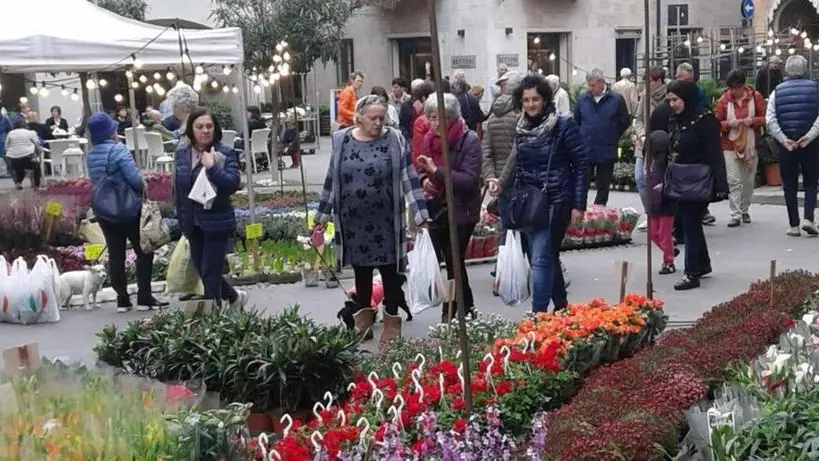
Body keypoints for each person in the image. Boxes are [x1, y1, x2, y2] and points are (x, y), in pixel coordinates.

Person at [313, 95, 430, 348]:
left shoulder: (395, 139)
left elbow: (408, 178)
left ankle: (391, 325)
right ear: (359, 118)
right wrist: (320, 217)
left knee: (390, 273)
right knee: (362, 274)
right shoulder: (341, 140)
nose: (378, 123)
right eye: (372, 118)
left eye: (382, 118)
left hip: (386, 220)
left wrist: (421, 215)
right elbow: (332, 180)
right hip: (353, 222)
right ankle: (363, 323)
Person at [487, 75, 588, 313]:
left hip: (557, 199)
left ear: (545, 100)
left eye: (535, 99)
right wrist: (501, 184)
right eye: (526, 100)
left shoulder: (563, 125)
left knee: (540, 257)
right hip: (530, 200)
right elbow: (515, 159)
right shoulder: (522, 126)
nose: (531, 104)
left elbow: (581, 164)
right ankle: (562, 306)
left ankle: (538, 314)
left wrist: (579, 204)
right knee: (546, 256)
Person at [85, 112, 166, 312]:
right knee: (143, 251)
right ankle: (144, 297)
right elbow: (135, 179)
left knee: (115, 253)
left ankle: (122, 299)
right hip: (128, 209)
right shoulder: (119, 150)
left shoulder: (91, 155)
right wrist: (143, 186)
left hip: (104, 210)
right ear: (109, 132)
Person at [173, 109, 248, 308]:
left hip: (217, 222)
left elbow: (232, 184)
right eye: (199, 127)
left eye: (209, 126)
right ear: (191, 130)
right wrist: (180, 218)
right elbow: (178, 188)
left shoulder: (225, 152)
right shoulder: (181, 153)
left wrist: (213, 167)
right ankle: (233, 297)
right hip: (191, 222)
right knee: (202, 269)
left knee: (210, 272)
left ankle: (213, 317)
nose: (205, 131)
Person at [418, 93, 482, 323]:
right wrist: (425, 179)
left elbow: (469, 181)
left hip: (462, 209)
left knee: (454, 259)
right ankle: (467, 307)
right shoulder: (429, 139)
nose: (435, 123)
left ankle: (451, 311)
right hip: (437, 207)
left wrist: (436, 172)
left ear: (453, 118)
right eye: (431, 117)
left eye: (441, 118)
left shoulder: (469, 140)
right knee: (449, 260)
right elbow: (424, 169)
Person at [663, 80, 728, 290]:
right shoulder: (675, 119)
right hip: (682, 180)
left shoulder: (704, 119)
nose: (672, 104)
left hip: (699, 179)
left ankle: (691, 273)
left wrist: (720, 185)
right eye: (669, 100)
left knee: (690, 223)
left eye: (675, 100)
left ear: (686, 98)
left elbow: (714, 153)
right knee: (691, 223)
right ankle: (702, 264)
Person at [766, 54, 819, 237]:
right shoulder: (815, 88)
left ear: (787, 70)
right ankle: (809, 218)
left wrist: (783, 139)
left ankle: (794, 225)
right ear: (805, 69)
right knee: (811, 181)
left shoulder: (777, 91)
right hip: (810, 144)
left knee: (789, 184)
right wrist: (809, 136)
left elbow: (770, 120)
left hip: (786, 144)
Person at [714, 69, 766, 228]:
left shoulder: (756, 97)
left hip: (750, 144)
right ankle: (735, 214)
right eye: (731, 88)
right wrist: (729, 124)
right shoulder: (723, 100)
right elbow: (715, 123)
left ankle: (745, 209)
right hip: (729, 144)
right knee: (734, 180)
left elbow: (765, 118)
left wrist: (752, 121)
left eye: (736, 88)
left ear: (743, 86)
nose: (733, 91)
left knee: (748, 180)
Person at [573, 68, 630, 206]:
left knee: (603, 187)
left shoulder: (616, 99)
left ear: (601, 82)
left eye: (592, 85)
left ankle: (598, 215)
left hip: (606, 149)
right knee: (581, 186)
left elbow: (624, 121)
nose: (589, 88)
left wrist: (612, 134)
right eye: (588, 85)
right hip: (585, 149)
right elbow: (576, 121)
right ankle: (580, 214)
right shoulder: (582, 99)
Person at [675, 62, 716, 228]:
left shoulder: (699, 92)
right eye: (685, 80)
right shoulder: (673, 94)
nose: (688, 84)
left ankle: (701, 209)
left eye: (690, 80)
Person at [632, 67, 668, 232]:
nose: (649, 84)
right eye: (647, 81)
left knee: (659, 180)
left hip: (661, 145)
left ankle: (664, 216)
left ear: (660, 81)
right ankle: (650, 213)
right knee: (640, 178)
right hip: (644, 144)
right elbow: (638, 119)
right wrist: (641, 135)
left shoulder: (669, 96)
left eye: (652, 81)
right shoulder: (645, 96)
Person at [645, 130, 678, 274]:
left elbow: (674, 180)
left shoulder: (669, 162)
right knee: (653, 234)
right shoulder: (650, 162)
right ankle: (669, 249)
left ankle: (668, 260)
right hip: (653, 203)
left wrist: (665, 186)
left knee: (664, 235)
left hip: (666, 203)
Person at [4, 118, 42, 189]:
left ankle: (18, 183)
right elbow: (37, 144)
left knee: (21, 170)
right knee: (36, 166)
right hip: (27, 159)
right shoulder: (31, 132)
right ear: (25, 125)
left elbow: (6, 147)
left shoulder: (10, 133)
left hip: (14, 161)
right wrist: (39, 152)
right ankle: (37, 186)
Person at [0, 104, 11, 178]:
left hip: (3, 140)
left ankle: (17, 182)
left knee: (6, 160)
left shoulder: (5, 118)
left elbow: (10, 129)